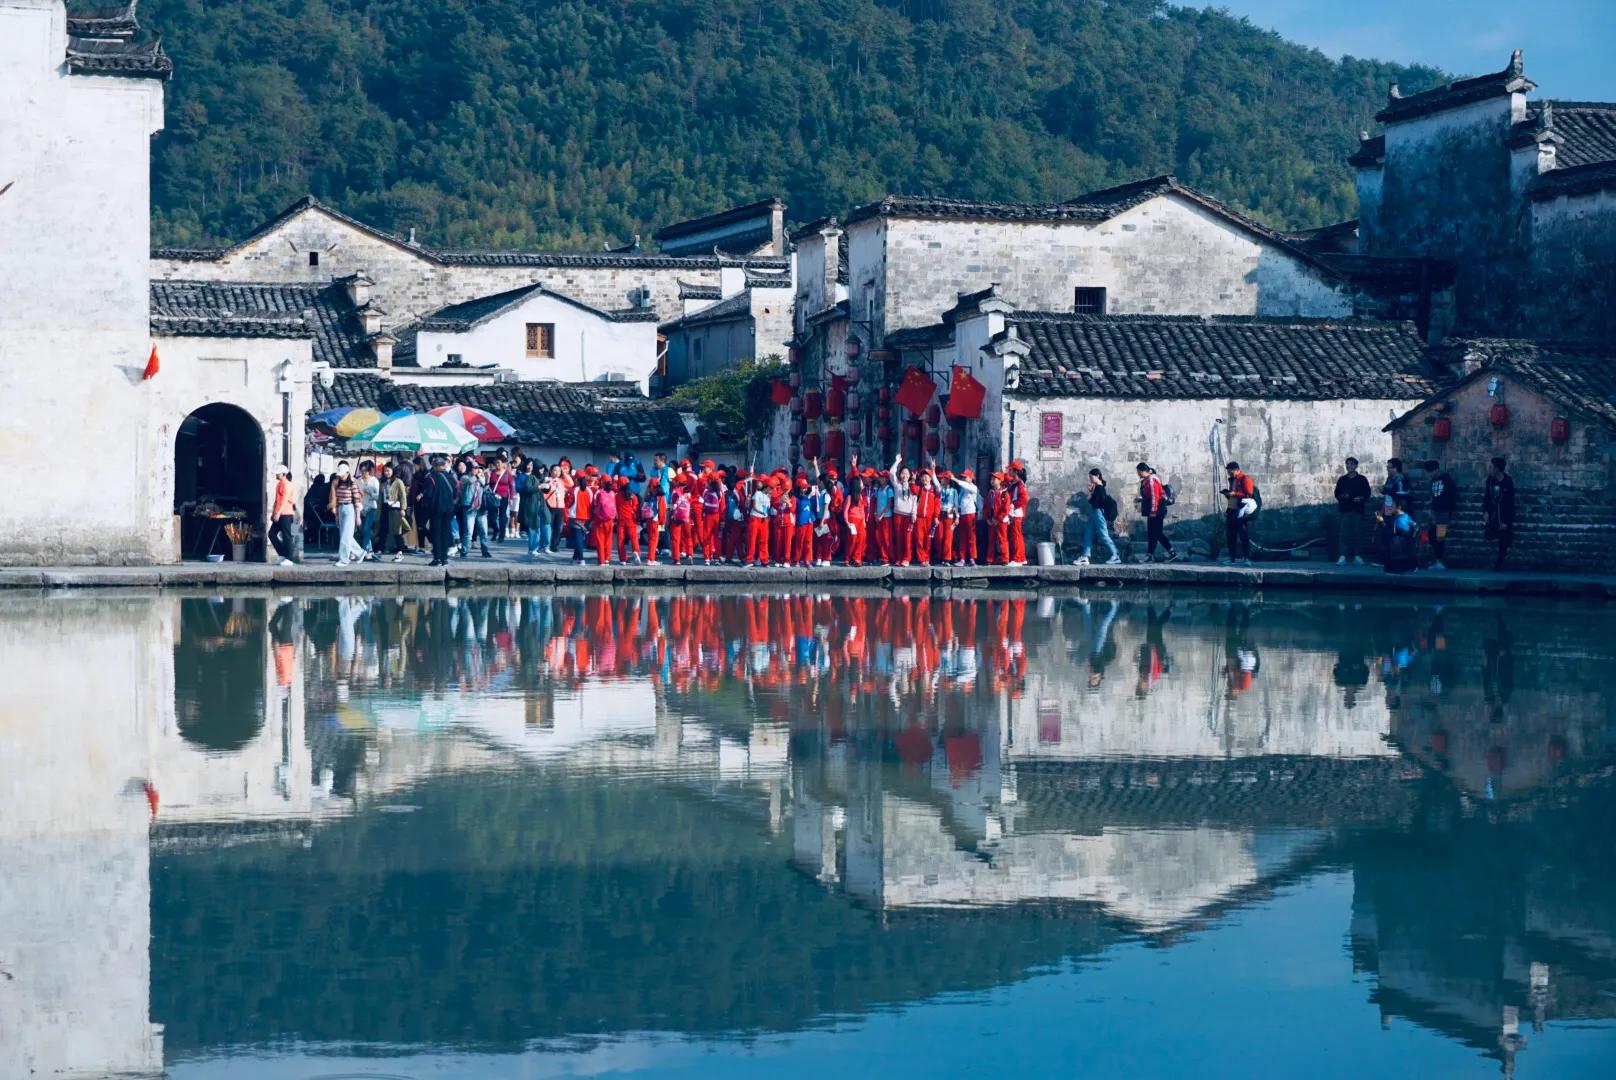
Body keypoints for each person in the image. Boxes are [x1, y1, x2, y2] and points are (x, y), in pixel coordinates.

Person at [1075, 468, 1120, 565]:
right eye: (1089, 477)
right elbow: (1094, 501)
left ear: (1097, 476)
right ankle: (1085, 556)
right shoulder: (1097, 487)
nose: (1090, 479)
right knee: (1088, 533)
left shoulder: (1100, 488)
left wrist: (1092, 493)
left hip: (1098, 513)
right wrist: (1091, 492)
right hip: (1095, 513)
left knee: (1103, 535)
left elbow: (1099, 502)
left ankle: (1115, 555)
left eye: (1091, 477)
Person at [1136, 462, 1178, 562]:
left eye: (1138, 472)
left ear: (1143, 471)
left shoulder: (1151, 480)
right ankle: (1150, 555)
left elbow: (1155, 497)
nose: (1138, 474)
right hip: (1156, 509)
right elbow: (1150, 496)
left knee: (1157, 533)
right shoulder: (1147, 480)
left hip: (1157, 510)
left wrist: (1153, 511)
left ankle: (1172, 552)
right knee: (1152, 533)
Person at [423, 456, 459, 566]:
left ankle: (437, 558)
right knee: (445, 533)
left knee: (436, 534)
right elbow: (455, 494)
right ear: (443, 465)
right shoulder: (451, 478)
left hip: (436, 510)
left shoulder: (431, 478)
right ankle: (444, 558)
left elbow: (428, 495)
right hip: (449, 510)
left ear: (435, 466)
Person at [1334, 457, 1371, 565]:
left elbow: (1367, 493)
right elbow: (1337, 493)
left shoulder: (1362, 479)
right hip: (1345, 509)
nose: (1349, 466)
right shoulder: (1342, 480)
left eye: (1351, 464)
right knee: (1344, 533)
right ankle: (1342, 556)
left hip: (1358, 510)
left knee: (1357, 533)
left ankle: (1357, 556)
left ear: (1356, 466)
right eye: (1347, 464)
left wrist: (1361, 498)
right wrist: (1343, 496)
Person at [327, 460, 365, 566]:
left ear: (348, 473)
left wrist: (358, 516)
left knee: (345, 536)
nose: (341, 476)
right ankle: (360, 553)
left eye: (342, 475)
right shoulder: (337, 482)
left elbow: (357, 501)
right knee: (345, 535)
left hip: (350, 509)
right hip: (341, 508)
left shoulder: (353, 482)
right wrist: (336, 511)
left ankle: (344, 560)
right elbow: (335, 497)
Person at [1220, 460, 1256, 566]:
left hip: (1240, 511)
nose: (1228, 473)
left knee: (1243, 535)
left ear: (1235, 470)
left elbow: (1249, 495)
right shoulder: (1233, 480)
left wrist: (1234, 494)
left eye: (1229, 471)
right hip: (1231, 510)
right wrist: (1228, 494)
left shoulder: (1245, 479)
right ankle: (1232, 558)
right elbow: (1233, 495)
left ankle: (1247, 558)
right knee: (1231, 536)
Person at [1483, 456, 1515, 571]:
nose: (1489, 469)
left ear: (1497, 469)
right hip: (1493, 515)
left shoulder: (1508, 481)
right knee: (1489, 536)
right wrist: (1485, 511)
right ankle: (1491, 562)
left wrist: (1507, 521)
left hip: (1504, 516)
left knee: (1504, 541)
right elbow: (1487, 497)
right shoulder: (1490, 481)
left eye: (1491, 467)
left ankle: (1498, 565)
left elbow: (1511, 503)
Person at [1425, 459, 1458, 570]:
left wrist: (1451, 511)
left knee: (1441, 537)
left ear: (1436, 470)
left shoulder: (1446, 479)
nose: (1430, 475)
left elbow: (1453, 495)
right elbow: (1432, 496)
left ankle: (1440, 562)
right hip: (1435, 513)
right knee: (1432, 536)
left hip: (1443, 513)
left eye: (1431, 472)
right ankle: (1437, 560)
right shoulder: (1432, 481)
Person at [458, 464, 493, 558]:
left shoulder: (480, 479)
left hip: (481, 508)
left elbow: (485, 489)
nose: (477, 470)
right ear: (471, 469)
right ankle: (464, 551)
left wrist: (487, 479)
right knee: (468, 532)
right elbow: (470, 481)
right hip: (469, 507)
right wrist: (478, 476)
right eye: (475, 468)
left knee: (483, 531)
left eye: (478, 468)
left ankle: (485, 551)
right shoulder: (465, 477)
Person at [267, 464, 299, 565]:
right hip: (280, 513)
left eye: (278, 473)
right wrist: (274, 513)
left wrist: (278, 513)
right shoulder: (279, 484)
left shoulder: (287, 485)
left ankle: (289, 558)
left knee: (286, 536)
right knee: (272, 534)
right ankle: (283, 555)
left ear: (283, 474)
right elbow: (277, 500)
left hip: (286, 514)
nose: (276, 475)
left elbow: (284, 501)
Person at [380, 463, 410, 561]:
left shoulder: (398, 482)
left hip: (395, 507)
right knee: (383, 528)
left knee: (397, 530)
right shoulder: (383, 481)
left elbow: (403, 496)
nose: (386, 473)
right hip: (385, 506)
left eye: (388, 470)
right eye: (385, 471)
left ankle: (400, 551)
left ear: (393, 471)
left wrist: (403, 509)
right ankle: (381, 549)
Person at [519, 460, 548, 557]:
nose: (542, 471)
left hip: (539, 505)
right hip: (531, 506)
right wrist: (539, 487)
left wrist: (547, 487)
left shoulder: (540, 478)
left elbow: (543, 491)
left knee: (538, 527)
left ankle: (537, 547)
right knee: (533, 528)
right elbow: (527, 489)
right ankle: (532, 549)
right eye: (540, 469)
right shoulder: (530, 478)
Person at [1383, 496, 1419, 574]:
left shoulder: (1400, 520)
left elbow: (1402, 532)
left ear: (1399, 508)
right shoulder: (1405, 517)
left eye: (1392, 505)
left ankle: (1400, 567)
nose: (1389, 507)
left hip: (1400, 554)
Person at [952, 470, 980, 566]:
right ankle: (962, 558)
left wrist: (954, 479)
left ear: (971, 478)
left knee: (971, 537)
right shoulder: (962, 490)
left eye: (965, 477)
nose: (964, 479)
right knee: (962, 537)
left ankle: (972, 558)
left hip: (970, 514)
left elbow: (965, 485)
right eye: (963, 477)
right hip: (962, 514)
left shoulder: (973, 487)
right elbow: (959, 501)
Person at [356, 460, 380, 559]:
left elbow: (377, 496)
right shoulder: (358, 481)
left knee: (367, 528)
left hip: (371, 507)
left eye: (365, 471)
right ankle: (369, 549)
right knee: (362, 529)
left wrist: (369, 493)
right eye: (361, 471)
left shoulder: (374, 481)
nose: (363, 473)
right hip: (361, 507)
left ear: (369, 471)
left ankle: (364, 550)